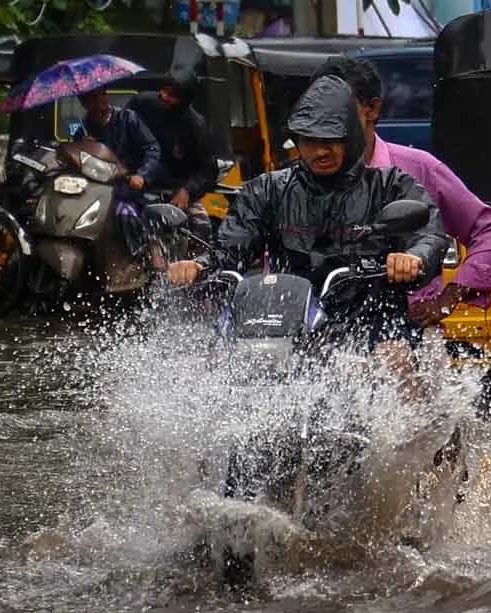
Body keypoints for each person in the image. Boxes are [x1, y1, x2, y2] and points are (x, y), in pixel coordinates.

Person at [166, 75, 450, 384]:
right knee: (212, 363)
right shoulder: (269, 189)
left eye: (330, 140)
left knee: (394, 360)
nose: (319, 152)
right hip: (284, 319)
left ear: (351, 137)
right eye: (309, 141)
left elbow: (429, 234)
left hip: (369, 319)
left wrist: (413, 258)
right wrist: (199, 265)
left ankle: (400, 433)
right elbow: (232, 247)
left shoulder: (390, 185)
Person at [310, 55, 491, 328]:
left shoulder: (420, 169)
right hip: (321, 333)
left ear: (372, 109)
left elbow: (488, 230)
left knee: (396, 359)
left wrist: (451, 295)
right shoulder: (296, 180)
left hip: (408, 334)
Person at [72, 87, 162, 266]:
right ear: (85, 103)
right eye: (94, 96)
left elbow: (152, 149)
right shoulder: (83, 130)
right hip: (96, 190)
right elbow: (74, 159)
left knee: (125, 215)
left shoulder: (128, 119)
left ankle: (143, 260)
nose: (102, 98)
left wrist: (141, 175)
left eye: (103, 93)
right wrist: (83, 146)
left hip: (127, 187)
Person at [127, 67, 218, 241]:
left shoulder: (196, 126)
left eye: (172, 95)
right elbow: (119, 127)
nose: (164, 97)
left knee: (202, 226)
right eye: (164, 90)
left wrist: (187, 190)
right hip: (136, 181)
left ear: (185, 99)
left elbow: (208, 169)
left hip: (173, 189)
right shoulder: (142, 104)